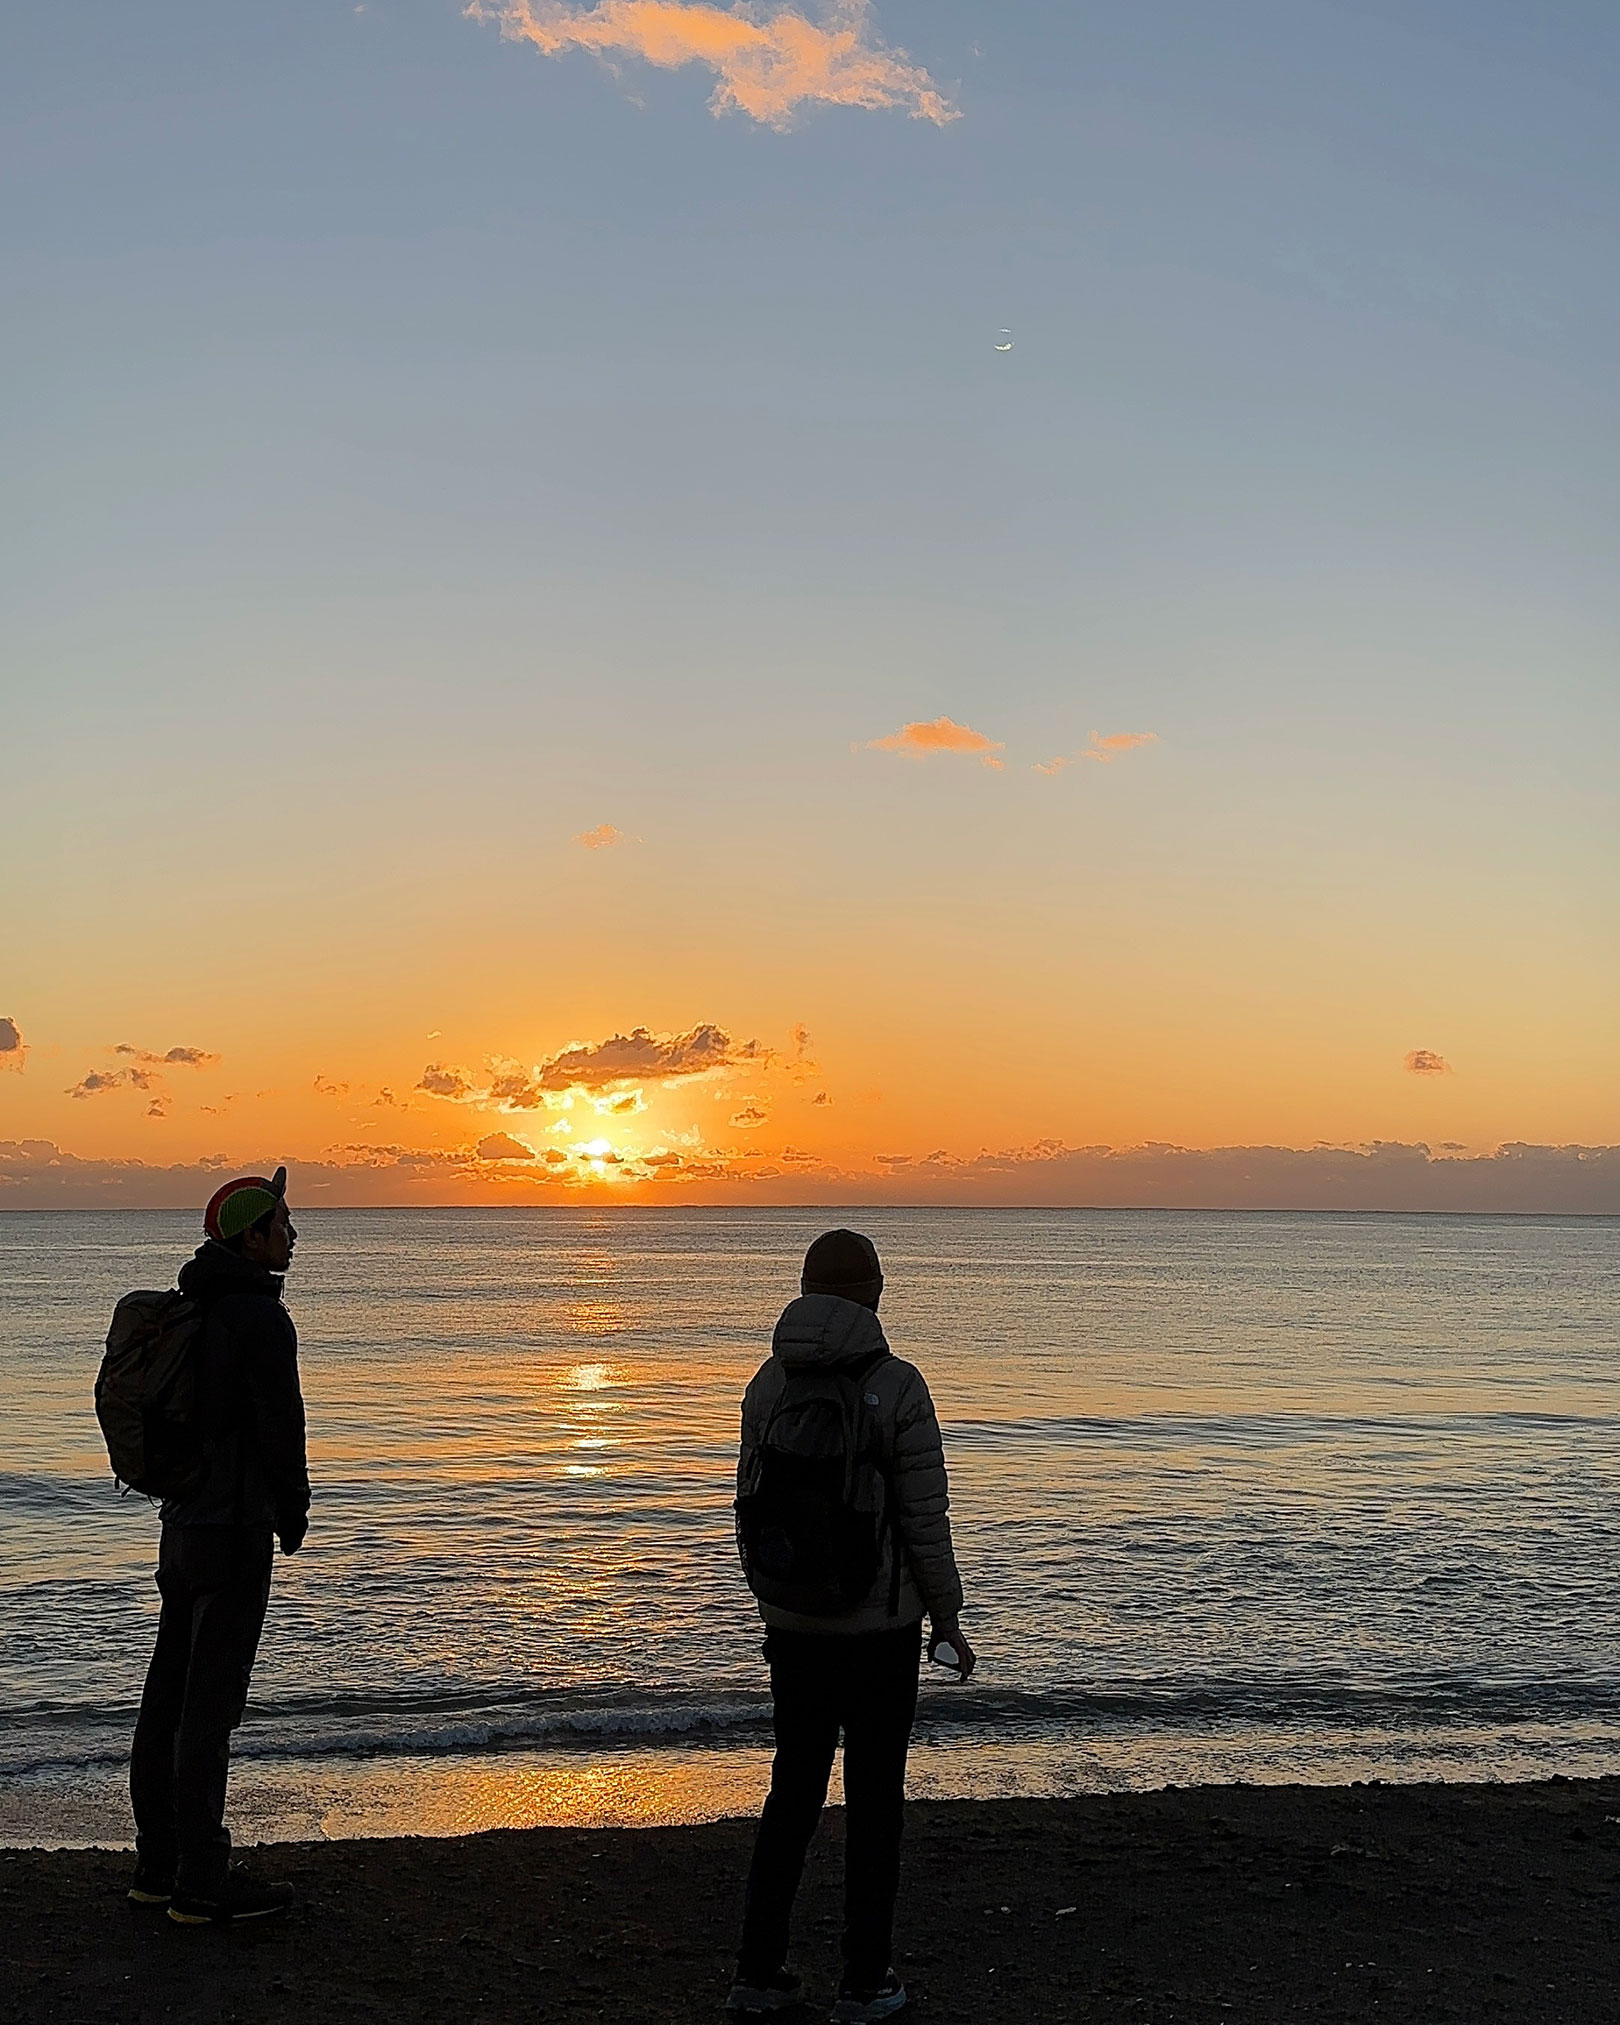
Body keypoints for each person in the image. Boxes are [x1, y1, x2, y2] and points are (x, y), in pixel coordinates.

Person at [730, 1229, 974, 2023]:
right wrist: (948, 1615)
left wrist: (772, 1600)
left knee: (791, 1793)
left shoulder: (768, 1382)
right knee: (875, 1802)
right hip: (880, 1633)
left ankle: (757, 1972)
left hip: (794, 1625)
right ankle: (865, 1981)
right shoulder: (899, 1385)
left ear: (805, 1288)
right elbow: (924, 1520)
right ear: (870, 1292)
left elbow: (748, 1507)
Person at [127, 1167, 310, 1924]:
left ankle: (157, 1864)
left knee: (167, 1692)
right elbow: (280, 1427)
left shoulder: (192, 1307)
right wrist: (292, 1510)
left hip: (181, 1528)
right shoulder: (261, 1319)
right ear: (250, 1236)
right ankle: (204, 1879)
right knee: (211, 1704)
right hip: (234, 1530)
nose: (294, 1235)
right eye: (282, 1223)